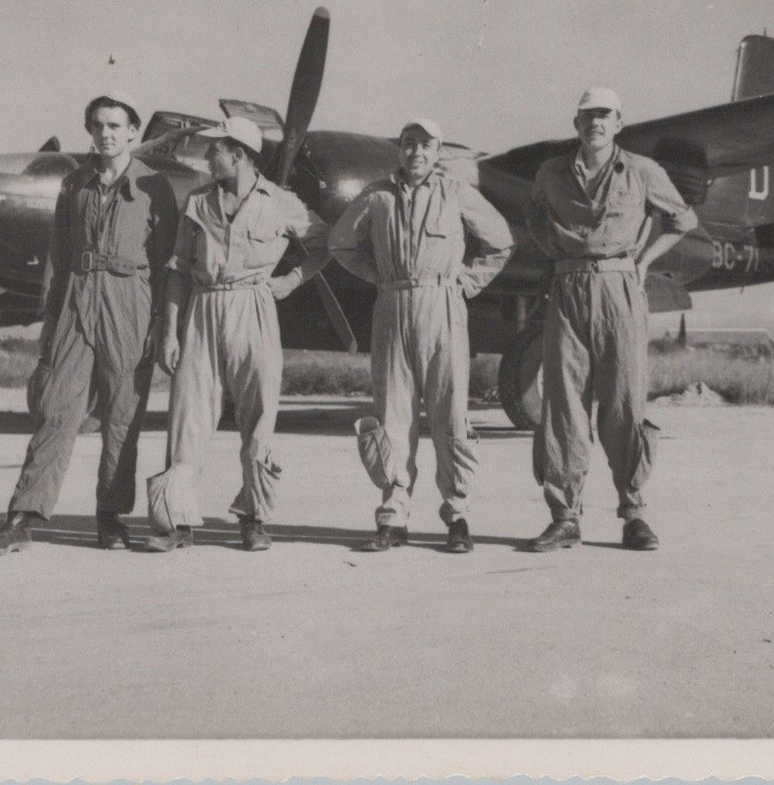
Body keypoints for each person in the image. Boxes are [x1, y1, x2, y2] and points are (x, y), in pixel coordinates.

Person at [0, 93, 178, 555]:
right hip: (75, 299)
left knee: (122, 418)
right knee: (55, 410)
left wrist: (163, 326)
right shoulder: (74, 184)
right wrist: (51, 320)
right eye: (97, 125)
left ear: (132, 131)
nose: (105, 134)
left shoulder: (156, 187)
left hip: (130, 303)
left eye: (115, 125)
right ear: (90, 131)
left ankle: (110, 518)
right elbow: (58, 255)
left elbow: (169, 264)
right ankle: (21, 519)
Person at [523, 87, 698, 553]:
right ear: (575, 123)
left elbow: (684, 220)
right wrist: (557, 255)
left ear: (618, 123)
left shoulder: (642, 170)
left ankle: (634, 512)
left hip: (620, 287)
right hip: (567, 287)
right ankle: (564, 516)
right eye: (586, 116)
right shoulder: (551, 173)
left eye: (604, 115)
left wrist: (641, 263)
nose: (594, 123)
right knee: (563, 406)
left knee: (623, 402)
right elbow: (535, 216)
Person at [145, 116, 331, 552]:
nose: (208, 157)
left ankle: (253, 517)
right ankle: (176, 521)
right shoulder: (197, 202)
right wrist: (169, 333)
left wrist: (293, 280)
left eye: (216, 150)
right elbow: (178, 271)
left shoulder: (281, 203)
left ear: (240, 154)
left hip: (254, 307)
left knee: (259, 412)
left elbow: (326, 245)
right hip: (204, 307)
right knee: (188, 414)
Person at [329, 119, 513, 553]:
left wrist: (465, 284)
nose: (416, 152)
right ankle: (393, 515)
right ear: (400, 150)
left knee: (450, 412)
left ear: (437, 151)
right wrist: (379, 276)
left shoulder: (455, 192)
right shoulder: (377, 195)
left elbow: (500, 242)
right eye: (409, 144)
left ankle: (458, 514)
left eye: (425, 145)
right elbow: (341, 243)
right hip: (392, 306)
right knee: (392, 413)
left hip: (443, 305)